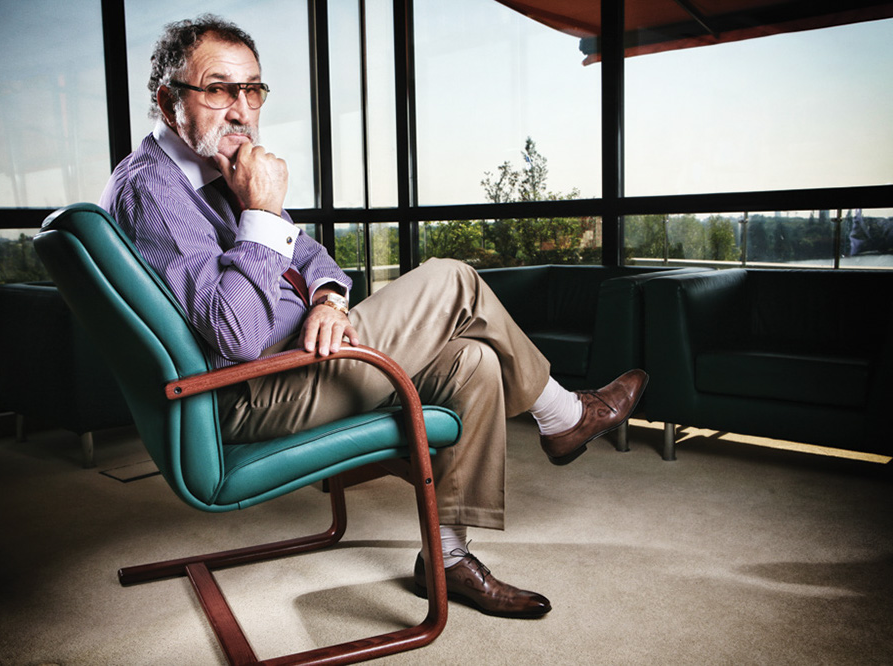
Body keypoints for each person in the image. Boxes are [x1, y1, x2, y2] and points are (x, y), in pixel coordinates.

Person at [99, 14, 647, 620]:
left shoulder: (220, 170)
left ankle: (446, 556)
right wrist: (264, 211)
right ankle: (564, 414)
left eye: (252, 90)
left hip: (302, 359)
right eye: (218, 90)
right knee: (453, 279)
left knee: (474, 361)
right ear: (168, 101)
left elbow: (311, 257)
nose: (242, 110)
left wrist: (329, 301)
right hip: (246, 392)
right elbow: (238, 333)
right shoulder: (155, 191)